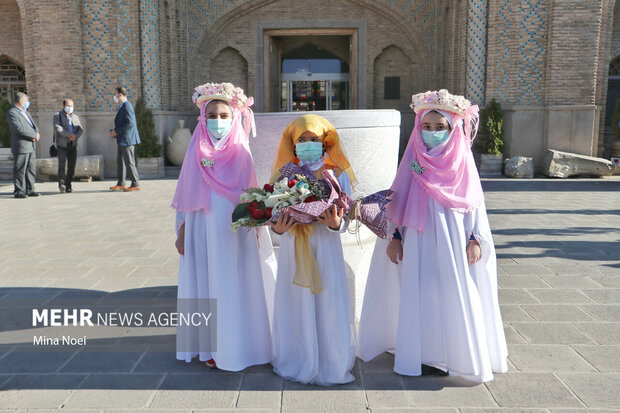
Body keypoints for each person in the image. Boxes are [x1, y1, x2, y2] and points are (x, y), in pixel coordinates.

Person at [357, 89, 508, 383]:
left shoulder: (462, 160)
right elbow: (401, 195)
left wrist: (474, 239)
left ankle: (456, 355)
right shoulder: (414, 162)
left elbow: (474, 203)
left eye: (440, 127)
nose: (432, 133)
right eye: (426, 127)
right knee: (420, 291)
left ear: (452, 128)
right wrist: (396, 236)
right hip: (418, 238)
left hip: (454, 241)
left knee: (452, 291)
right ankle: (423, 355)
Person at [171, 82, 276, 371]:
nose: (218, 121)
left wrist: (256, 228)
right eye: (212, 115)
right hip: (202, 234)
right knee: (208, 287)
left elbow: (253, 195)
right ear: (203, 118)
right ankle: (212, 347)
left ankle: (241, 344)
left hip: (235, 235)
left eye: (224, 115)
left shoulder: (242, 153)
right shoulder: (195, 153)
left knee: (235, 286)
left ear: (234, 118)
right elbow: (184, 199)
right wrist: (181, 233)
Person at [269, 114, 356, 385]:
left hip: (326, 248)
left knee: (328, 301)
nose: (308, 144)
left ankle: (331, 361)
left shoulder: (338, 173)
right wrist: (278, 229)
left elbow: (348, 216)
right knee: (297, 302)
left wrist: (335, 224)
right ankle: (298, 358)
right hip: (295, 246)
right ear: (293, 145)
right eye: (301, 140)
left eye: (314, 140)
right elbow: (271, 211)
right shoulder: (285, 174)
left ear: (325, 142)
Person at [7, 92, 40, 199]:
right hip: (21, 146)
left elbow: (33, 126)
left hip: (31, 145)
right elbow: (19, 128)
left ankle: (30, 189)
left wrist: (37, 133)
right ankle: (19, 190)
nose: (28, 103)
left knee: (31, 169)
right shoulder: (12, 113)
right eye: (26, 101)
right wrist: (34, 135)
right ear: (21, 101)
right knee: (20, 169)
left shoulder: (26, 113)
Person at [108, 86, 141, 191]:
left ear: (120, 95)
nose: (115, 97)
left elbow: (130, 123)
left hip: (128, 140)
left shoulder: (127, 106)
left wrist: (117, 131)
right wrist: (116, 133)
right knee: (121, 162)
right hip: (122, 139)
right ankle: (121, 183)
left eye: (115, 94)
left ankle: (135, 183)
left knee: (129, 162)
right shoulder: (123, 106)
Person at [53, 98, 83, 193]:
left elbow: (80, 129)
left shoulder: (75, 117)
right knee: (62, 165)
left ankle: (68, 184)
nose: (70, 108)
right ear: (63, 106)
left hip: (73, 144)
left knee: (71, 166)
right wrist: (68, 135)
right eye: (68, 106)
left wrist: (76, 136)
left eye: (71, 106)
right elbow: (58, 127)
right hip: (62, 144)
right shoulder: (58, 115)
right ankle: (62, 184)